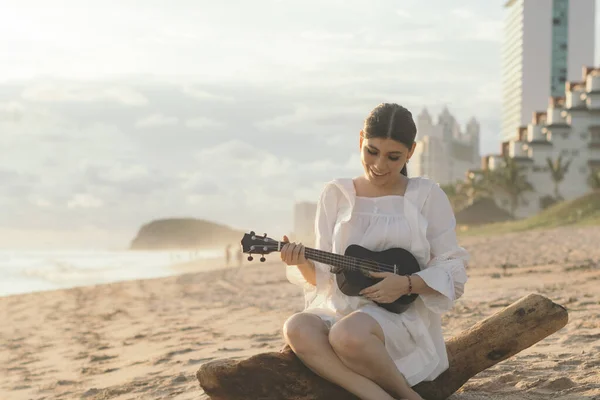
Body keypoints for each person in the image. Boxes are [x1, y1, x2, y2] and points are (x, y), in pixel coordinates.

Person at [280, 103, 469, 400]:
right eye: (371, 151)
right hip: (343, 310)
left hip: (398, 319)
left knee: (347, 334)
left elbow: (453, 271)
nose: (380, 165)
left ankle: (406, 395)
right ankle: (371, 394)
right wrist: (301, 263)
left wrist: (407, 284)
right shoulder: (337, 194)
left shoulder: (426, 195)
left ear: (411, 152)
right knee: (296, 327)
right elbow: (325, 279)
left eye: (393, 157)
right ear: (360, 141)